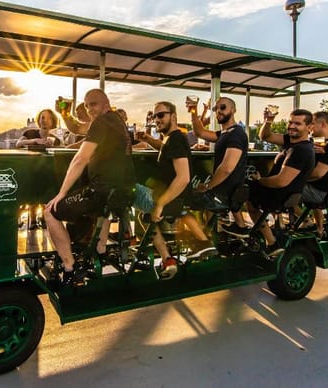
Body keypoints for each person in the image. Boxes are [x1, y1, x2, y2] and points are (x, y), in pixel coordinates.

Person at [44, 89, 135, 286]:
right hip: (122, 191)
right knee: (99, 209)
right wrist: (65, 114)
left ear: (106, 103)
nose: (89, 108)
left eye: (93, 104)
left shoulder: (102, 122)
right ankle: (99, 252)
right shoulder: (115, 120)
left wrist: (62, 193)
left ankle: (69, 267)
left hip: (101, 191)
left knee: (50, 211)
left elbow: (81, 159)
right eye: (86, 105)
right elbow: (78, 128)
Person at [133, 101, 191, 279]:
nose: (156, 119)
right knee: (144, 215)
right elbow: (165, 149)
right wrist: (148, 140)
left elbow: (184, 177)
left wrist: (160, 204)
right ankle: (167, 259)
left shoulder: (177, 138)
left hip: (170, 198)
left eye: (160, 115)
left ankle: (103, 244)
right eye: (154, 115)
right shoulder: (171, 138)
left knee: (122, 188)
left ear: (173, 116)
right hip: (169, 196)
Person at [249, 108, 316, 257]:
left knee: (246, 197)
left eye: (297, 123)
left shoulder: (300, 150)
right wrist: (269, 121)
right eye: (290, 122)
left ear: (309, 127)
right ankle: (277, 226)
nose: (291, 126)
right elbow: (265, 136)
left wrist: (260, 180)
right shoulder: (291, 141)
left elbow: (280, 181)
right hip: (286, 194)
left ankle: (271, 243)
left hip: (279, 194)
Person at [188, 96, 250, 239]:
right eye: (216, 109)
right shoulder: (225, 133)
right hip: (224, 191)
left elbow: (227, 168)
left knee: (184, 201)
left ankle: (203, 240)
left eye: (223, 107)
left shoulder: (236, 134)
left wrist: (208, 186)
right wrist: (193, 110)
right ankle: (211, 235)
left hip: (224, 192)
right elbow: (200, 132)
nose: (218, 111)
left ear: (233, 110)